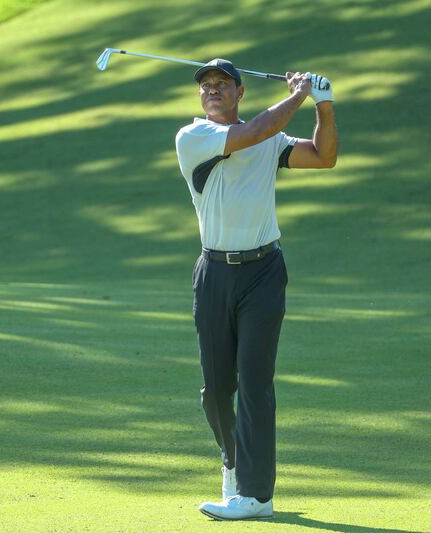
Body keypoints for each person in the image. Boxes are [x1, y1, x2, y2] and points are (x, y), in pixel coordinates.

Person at [174, 58, 337, 521]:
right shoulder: (194, 138)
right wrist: (299, 95)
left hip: (264, 271)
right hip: (214, 273)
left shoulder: (271, 138)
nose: (212, 90)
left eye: (223, 84)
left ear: (240, 92)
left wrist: (323, 106)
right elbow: (250, 136)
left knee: (255, 383)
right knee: (216, 388)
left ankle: (257, 496)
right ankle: (233, 464)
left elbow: (324, 157)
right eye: (206, 85)